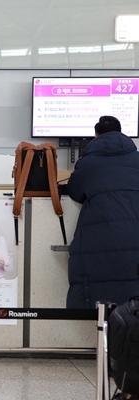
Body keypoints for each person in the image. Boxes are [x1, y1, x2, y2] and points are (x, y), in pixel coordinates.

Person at [65, 115, 139, 309]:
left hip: (101, 240)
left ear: (96, 135)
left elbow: (75, 192)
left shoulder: (88, 163)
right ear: (122, 132)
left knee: (101, 299)